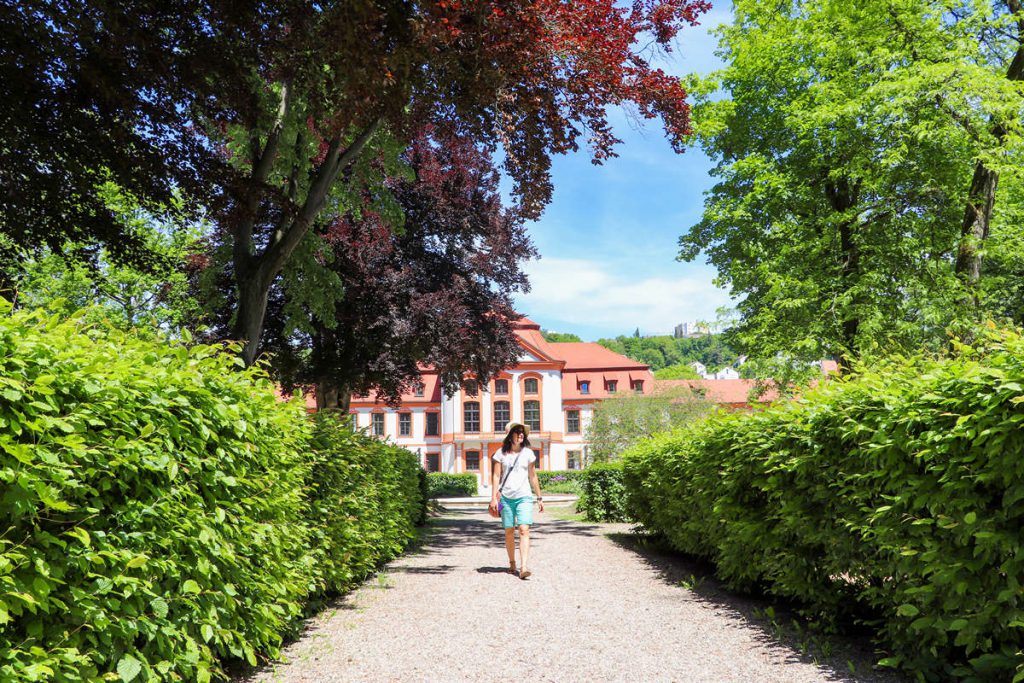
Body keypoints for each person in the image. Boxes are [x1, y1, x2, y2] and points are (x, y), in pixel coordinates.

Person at [489, 422, 545, 579]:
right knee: (509, 531)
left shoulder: (528, 453)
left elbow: (533, 476)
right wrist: (494, 497)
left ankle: (524, 566)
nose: (521, 434)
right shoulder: (501, 454)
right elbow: (496, 476)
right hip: (506, 498)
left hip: (524, 497)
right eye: (517, 432)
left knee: (523, 529)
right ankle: (512, 562)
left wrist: (539, 497)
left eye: (523, 432)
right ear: (510, 435)